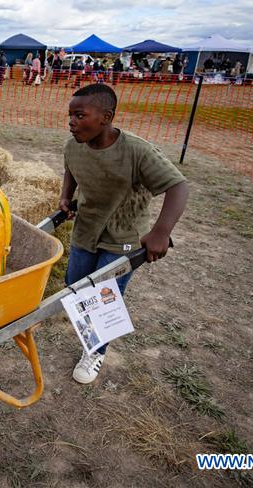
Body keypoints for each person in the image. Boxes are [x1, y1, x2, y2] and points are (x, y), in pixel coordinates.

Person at [59, 83, 189, 384]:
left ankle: (95, 350)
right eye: (70, 115)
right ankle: (91, 328)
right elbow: (70, 169)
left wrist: (160, 231)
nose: (71, 122)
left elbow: (178, 186)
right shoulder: (72, 145)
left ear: (106, 117)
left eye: (80, 115)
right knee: (75, 286)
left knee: (103, 297)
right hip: (86, 229)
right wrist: (66, 195)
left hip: (123, 237)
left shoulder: (136, 151)